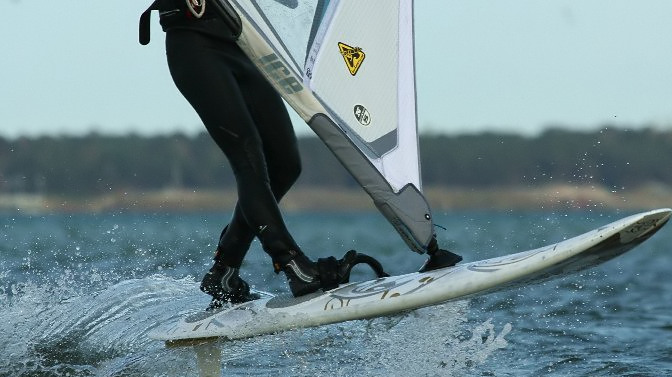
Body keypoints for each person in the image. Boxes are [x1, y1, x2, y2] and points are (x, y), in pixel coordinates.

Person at [140, 0, 458, 308]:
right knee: (248, 158)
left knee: (285, 163)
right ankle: (293, 266)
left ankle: (224, 270)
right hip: (194, 43)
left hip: (242, 39)